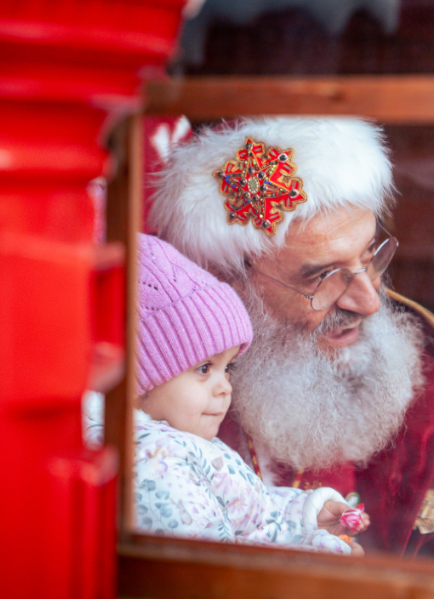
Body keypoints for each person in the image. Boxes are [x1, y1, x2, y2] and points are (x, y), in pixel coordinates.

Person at [149, 117, 434, 564]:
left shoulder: (423, 381)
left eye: (370, 256)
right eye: (322, 276)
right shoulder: (161, 409)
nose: (369, 301)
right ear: (226, 283)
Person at [130, 232, 368, 554]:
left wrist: (305, 517)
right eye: (204, 368)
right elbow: (213, 571)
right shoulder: (156, 467)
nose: (225, 386)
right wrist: (316, 559)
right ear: (140, 378)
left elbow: (251, 517)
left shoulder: (175, 445)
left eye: (228, 368)